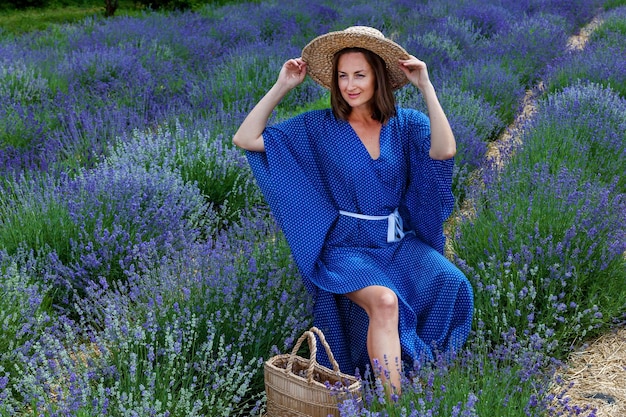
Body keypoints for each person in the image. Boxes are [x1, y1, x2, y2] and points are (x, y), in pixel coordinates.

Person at [233, 26, 473, 394]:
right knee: (384, 301)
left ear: (378, 76)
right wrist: (283, 85)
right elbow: (246, 138)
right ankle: (396, 405)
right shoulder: (320, 126)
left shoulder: (406, 123)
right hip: (346, 247)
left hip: (396, 243)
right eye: (342, 76)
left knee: (453, 284)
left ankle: (422, 371)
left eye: (359, 75)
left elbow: (444, 151)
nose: (350, 85)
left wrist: (426, 86)